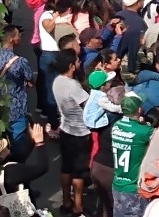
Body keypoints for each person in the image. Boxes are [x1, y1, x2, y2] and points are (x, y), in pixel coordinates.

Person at [52, 48, 91, 216]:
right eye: (77, 61)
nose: (79, 62)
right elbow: (88, 105)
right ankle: (78, 206)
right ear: (71, 66)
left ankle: (66, 201)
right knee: (78, 171)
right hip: (80, 133)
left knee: (66, 167)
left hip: (65, 129)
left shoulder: (57, 81)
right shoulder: (73, 86)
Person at [0, 24, 35, 158]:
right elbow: (31, 82)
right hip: (16, 110)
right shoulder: (20, 61)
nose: (20, 37)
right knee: (18, 147)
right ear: (12, 39)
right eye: (18, 35)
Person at [112, 92, 154, 217]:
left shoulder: (116, 126)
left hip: (117, 184)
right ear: (139, 109)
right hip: (134, 188)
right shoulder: (145, 131)